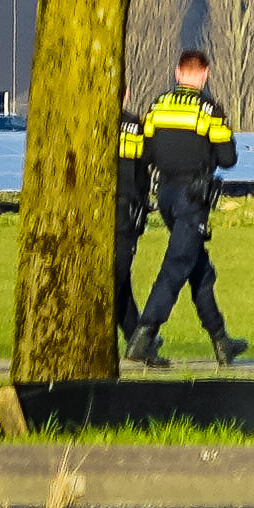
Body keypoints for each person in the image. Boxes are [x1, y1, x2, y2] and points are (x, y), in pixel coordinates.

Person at [124, 50, 250, 369]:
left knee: (200, 271)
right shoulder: (209, 110)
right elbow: (228, 159)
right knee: (177, 264)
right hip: (193, 198)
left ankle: (222, 341)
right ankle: (144, 334)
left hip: (165, 194)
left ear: (178, 72)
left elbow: (145, 153)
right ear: (204, 74)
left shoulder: (157, 106)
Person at [113, 90, 152, 347]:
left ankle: (136, 338)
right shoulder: (134, 127)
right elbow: (142, 175)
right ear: (126, 94)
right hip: (125, 209)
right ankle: (136, 338)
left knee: (119, 276)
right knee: (117, 275)